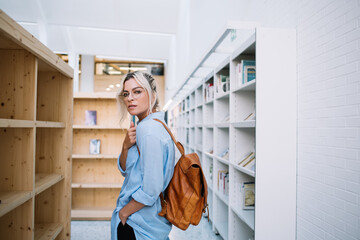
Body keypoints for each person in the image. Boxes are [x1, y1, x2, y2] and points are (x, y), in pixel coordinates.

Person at [111, 71, 175, 240]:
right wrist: (125, 147)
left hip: (139, 224)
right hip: (145, 221)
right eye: (126, 94)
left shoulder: (148, 131)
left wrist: (124, 213)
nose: (130, 98)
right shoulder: (149, 125)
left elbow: (151, 189)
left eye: (137, 91)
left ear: (152, 95)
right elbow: (126, 171)